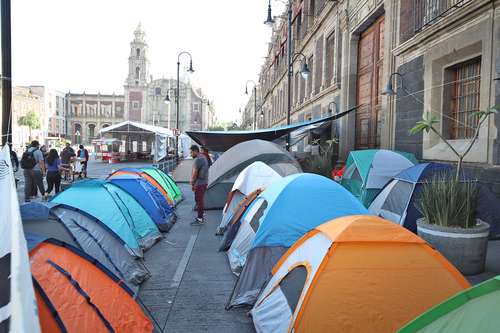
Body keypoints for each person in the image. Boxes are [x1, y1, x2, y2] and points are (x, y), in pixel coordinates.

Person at [190, 144, 209, 225]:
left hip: (200, 183)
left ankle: (200, 218)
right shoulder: (203, 157)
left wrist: (192, 182)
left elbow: (195, 173)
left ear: (195, 151)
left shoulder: (198, 159)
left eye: (191, 152)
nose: (191, 154)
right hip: (204, 182)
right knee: (199, 200)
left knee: (199, 200)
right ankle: (201, 214)